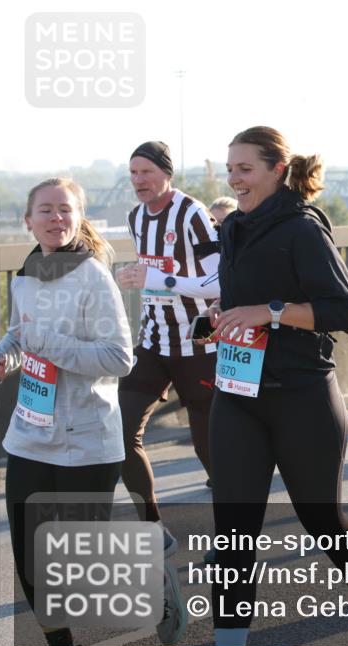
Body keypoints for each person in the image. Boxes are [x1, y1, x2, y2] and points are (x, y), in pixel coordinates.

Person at [207, 126, 348, 646]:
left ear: (275, 169)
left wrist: (269, 311)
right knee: (232, 533)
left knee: (321, 520)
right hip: (238, 392)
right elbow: (240, 301)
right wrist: (222, 319)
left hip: (302, 397)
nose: (234, 179)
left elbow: (347, 312)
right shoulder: (235, 228)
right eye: (230, 169)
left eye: (245, 168)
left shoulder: (302, 228)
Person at [0, 178, 135, 646]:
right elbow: (19, 334)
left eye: (64, 210)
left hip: (88, 439)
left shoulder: (94, 277)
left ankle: (154, 577)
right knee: (32, 555)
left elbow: (119, 358)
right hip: (31, 434)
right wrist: (3, 356)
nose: (56, 218)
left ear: (78, 217)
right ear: (28, 221)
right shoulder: (27, 275)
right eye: (46, 210)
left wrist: (47, 344)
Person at [115, 140, 221, 513]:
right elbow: (151, 272)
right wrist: (132, 276)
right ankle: (152, 524)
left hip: (200, 337)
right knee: (121, 434)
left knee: (208, 446)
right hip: (154, 340)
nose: (138, 180)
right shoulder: (135, 217)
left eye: (146, 171)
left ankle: (237, 533)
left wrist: (161, 280)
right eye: (133, 173)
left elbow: (218, 282)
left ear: (166, 173)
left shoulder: (192, 212)